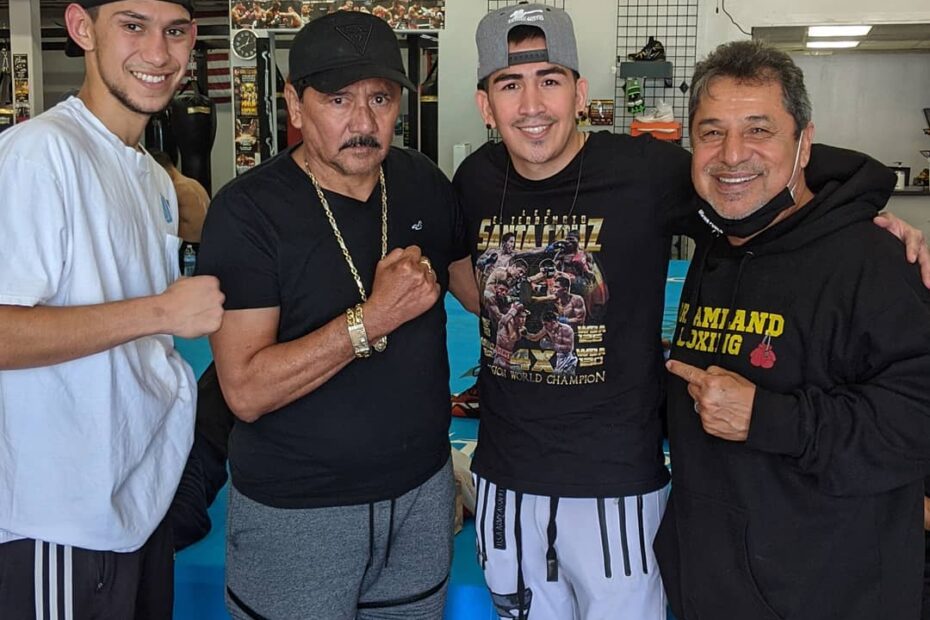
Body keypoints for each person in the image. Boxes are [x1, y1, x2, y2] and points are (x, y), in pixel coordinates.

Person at [453, 5, 930, 619]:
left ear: (580, 93)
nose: (533, 105)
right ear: (486, 105)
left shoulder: (644, 172)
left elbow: (745, 174)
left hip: (616, 483)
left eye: (550, 80)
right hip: (507, 475)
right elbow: (455, 264)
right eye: (510, 85)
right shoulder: (473, 178)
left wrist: (867, 213)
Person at [196, 11, 476, 619]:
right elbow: (243, 389)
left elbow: (483, 295)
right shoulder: (248, 214)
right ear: (295, 104)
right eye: (338, 99)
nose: (364, 121)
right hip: (299, 514)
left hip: (421, 499)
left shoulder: (422, 183)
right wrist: (371, 320)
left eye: (380, 97)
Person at [655, 40, 930, 620]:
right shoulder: (717, 239)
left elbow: (917, 421)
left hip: (831, 593)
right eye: (711, 132)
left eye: (759, 130)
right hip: (712, 585)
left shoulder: (873, 262)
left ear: (805, 142)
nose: (732, 156)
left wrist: (770, 419)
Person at [0, 0, 225, 617]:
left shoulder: (152, 177)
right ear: (81, 29)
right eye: (133, 26)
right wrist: (159, 313)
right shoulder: (39, 156)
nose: (158, 53)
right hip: (61, 519)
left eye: (175, 31)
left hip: (137, 503)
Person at [150, 149, 210, 273]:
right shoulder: (194, 184)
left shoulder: (175, 189)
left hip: (188, 250)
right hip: (205, 246)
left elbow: (161, 222)